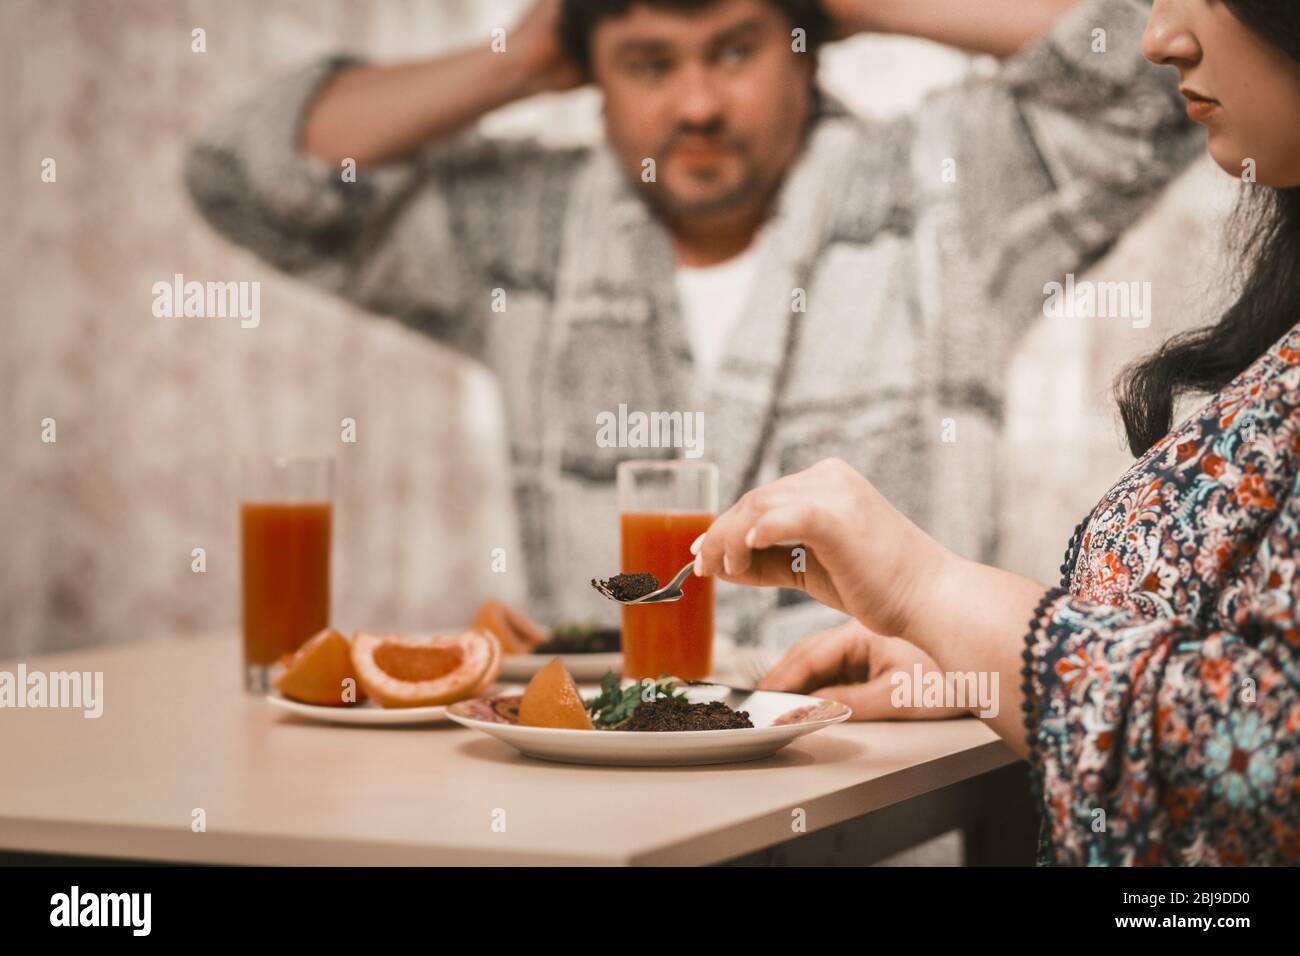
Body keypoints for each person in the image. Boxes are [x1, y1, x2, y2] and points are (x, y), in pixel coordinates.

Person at [185, 0, 1197, 648]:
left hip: (887, 803)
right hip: (623, 805)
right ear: (591, 82)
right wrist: (530, 49)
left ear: (804, 55)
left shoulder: (942, 194)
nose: (699, 102)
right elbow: (247, 176)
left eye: (734, 48)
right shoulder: (521, 229)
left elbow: (1175, 68)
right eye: (648, 62)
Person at [694, 0, 1300, 865]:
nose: (1160, 36)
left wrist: (931, 591)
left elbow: (1273, 758)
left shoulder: (932, 193)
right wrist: (974, 659)